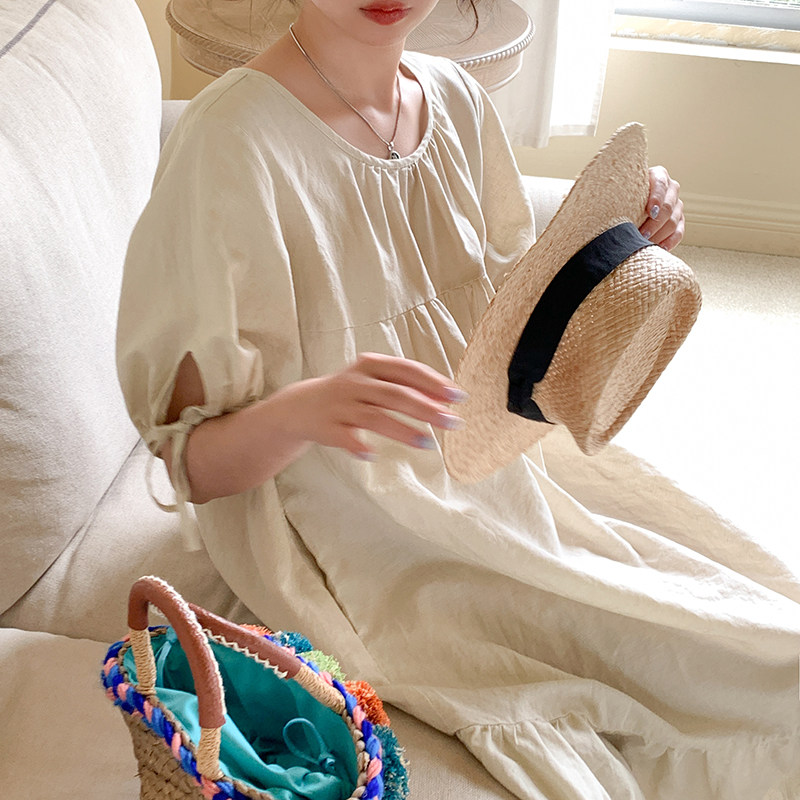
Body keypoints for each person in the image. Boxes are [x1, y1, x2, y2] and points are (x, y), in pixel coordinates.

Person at [117, 1, 800, 798]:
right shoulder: (230, 142)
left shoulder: (454, 97)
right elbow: (191, 465)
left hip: (497, 460)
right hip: (355, 520)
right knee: (678, 658)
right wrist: (305, 409)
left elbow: (508, 325)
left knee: (731, 612)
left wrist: (624, 242)